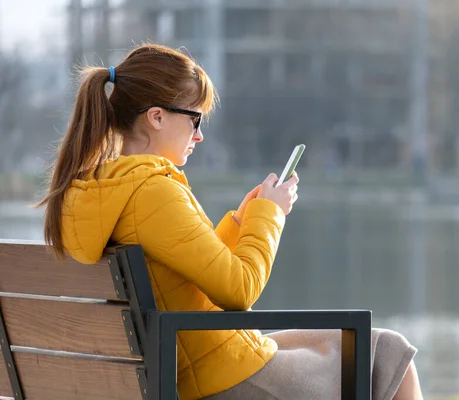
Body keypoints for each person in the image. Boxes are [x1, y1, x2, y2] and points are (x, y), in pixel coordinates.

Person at [37, 44, 423, 400]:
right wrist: (269, 214)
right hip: (220, 378)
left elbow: (182, 272)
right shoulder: (151, 191)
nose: (199, 135)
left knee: (364, 345)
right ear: (156, 117)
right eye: (194, 119)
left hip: (182, 365)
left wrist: (242, 219)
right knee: (388, 354)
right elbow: (239, 290)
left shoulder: (96, 190)